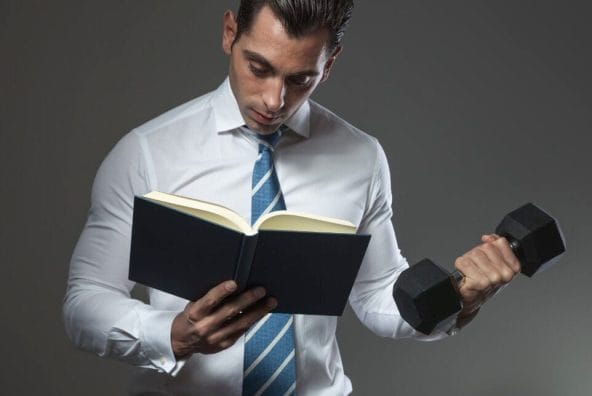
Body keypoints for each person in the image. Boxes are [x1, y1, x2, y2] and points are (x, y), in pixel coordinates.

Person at [63, 1, 521, 395]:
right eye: (258, 68)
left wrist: (459, 298)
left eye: (301, 78)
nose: (274, 99)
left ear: (331, 63)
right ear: (229, 34)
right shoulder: (146, 152)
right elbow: (86, 301)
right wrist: (172, 335)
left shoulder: (361, 157)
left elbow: (379, 296)